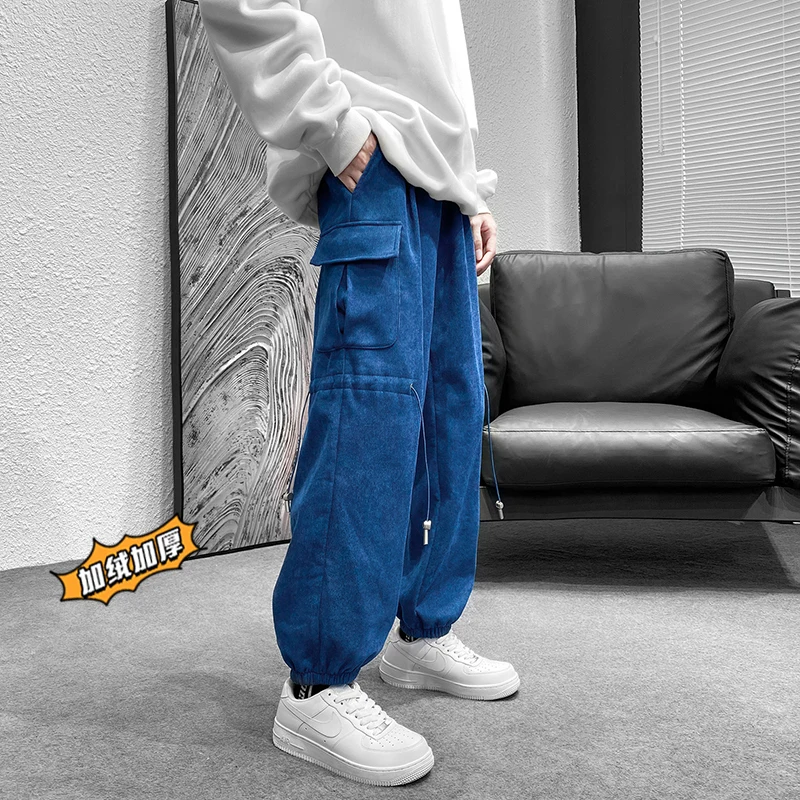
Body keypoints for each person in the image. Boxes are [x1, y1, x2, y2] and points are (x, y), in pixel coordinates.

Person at [196, 0, 519, 786]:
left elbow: (431, 59)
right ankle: (316, 682)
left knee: (449, 417)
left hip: (441, 186)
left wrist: (468, 189)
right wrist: (332, 125)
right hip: (373, 155)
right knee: (367, 419)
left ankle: (421, 631)